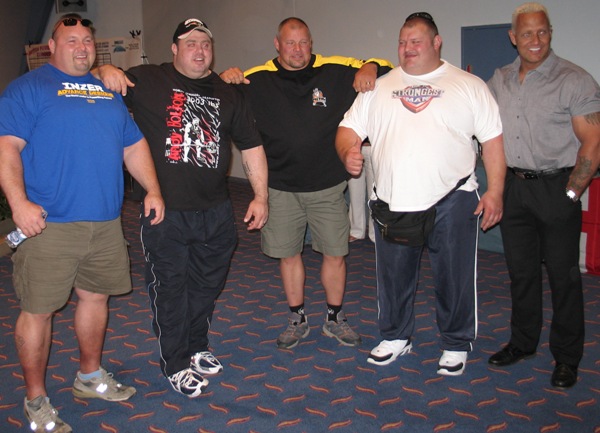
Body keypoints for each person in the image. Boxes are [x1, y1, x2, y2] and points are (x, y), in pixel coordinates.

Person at [0, 14, 165, 433]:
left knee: (95, 299)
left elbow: (133, 145)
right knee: (38, 311)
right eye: (70, 40)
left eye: (87, 40)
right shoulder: (27, 88)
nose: (81, 46)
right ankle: (36, 399)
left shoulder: (107, 90)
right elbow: (7, 149)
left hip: (105, 222)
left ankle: (89, 377)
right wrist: (19, 204)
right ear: (51, 47)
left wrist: (153, 189)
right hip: (49, 225)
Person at [95, 18, 269, 398]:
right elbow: (94, 80)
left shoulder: (228, 92)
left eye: (205, 43)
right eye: (190, 43)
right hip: (166, 211)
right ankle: (175, 362)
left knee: (206, 287)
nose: (199, 50)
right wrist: (103, 69)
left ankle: (196, 345)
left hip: (216, 211)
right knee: (171, 289)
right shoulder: (148, 80)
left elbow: (251, 146)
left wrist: (260, 196)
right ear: (174, 49)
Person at [336, 12, 506, 376]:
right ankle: (396, 336)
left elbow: (492, 141)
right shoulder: (378, 87)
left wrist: (495, 191)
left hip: (453, 198)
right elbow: (347, 129)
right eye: (402, 42)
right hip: (393, 199)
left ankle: (455, 342)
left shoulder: (468, 85)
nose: (407, 48)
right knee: (393, 277)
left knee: (454, 277)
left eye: (416, 41)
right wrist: (347, 150)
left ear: (436, 42)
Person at [220, 17, 393, 350]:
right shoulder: (256, 79)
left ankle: (334, 318)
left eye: (303, 43)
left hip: (327, 186)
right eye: (290, 43)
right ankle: (297, 318)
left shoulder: (335, 70)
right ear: (277, 44)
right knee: (288, 256)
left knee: (335, 254)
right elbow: (211, 91)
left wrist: (370, 67)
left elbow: (387, 66)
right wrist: (226, 77)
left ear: (311, 43)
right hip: (279, 188)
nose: (297, 50)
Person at [486, 3, 600, 388]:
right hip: (515, 187)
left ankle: (567, 357)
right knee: (521, 273)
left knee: (563, 277)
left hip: (557, 187)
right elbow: (480, 122)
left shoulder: (574, 79)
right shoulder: (499, 80)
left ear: (550, 33)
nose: (535, 40)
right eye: (527, 33)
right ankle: (523, 342)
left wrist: (571, 191)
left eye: (542, 32)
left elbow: (594, 141)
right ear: (513, 37)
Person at [348, 140, 375, 243]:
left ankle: (375, 233)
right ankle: (356, 231)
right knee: (354, 193)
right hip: (353, 147)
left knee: (374, 193)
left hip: (374, 146)